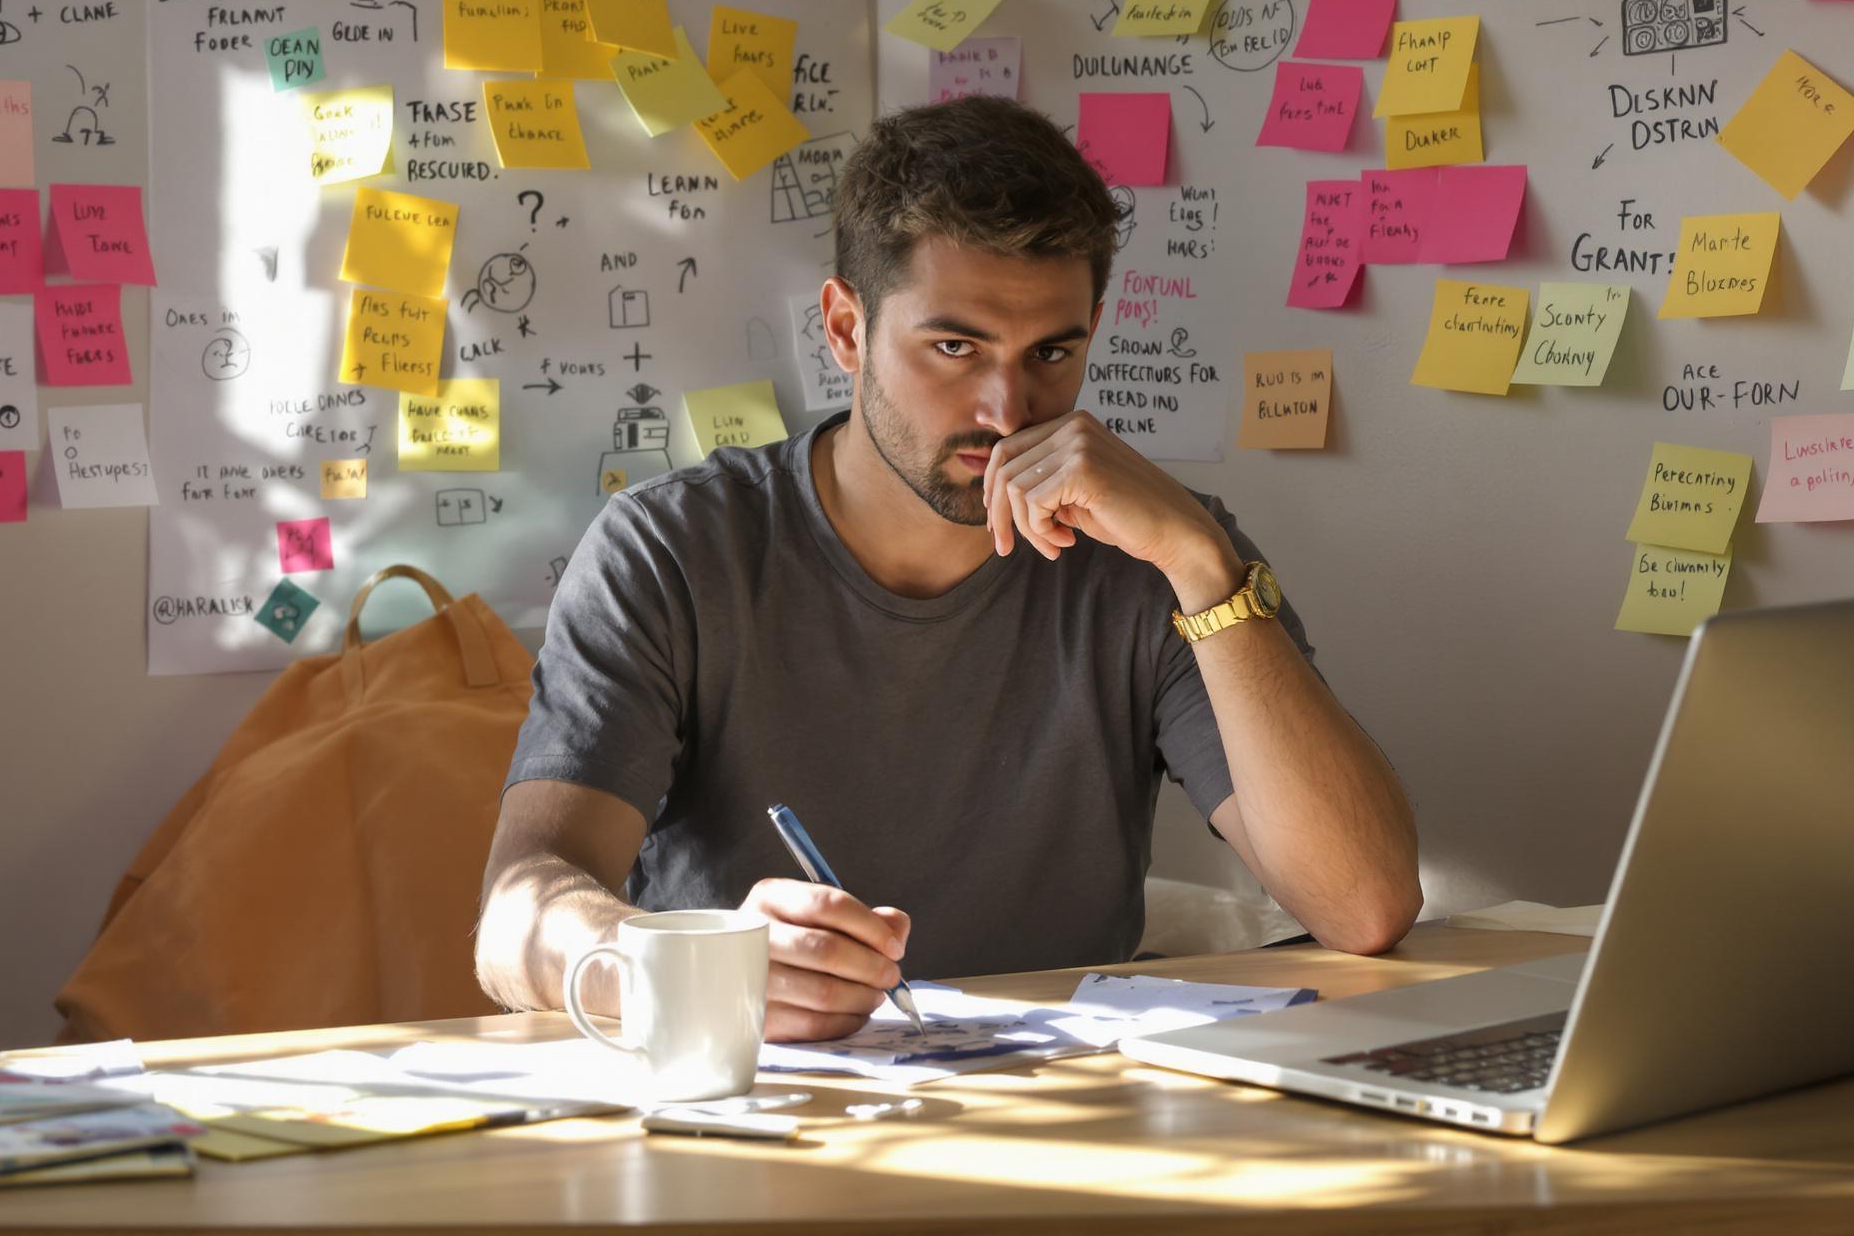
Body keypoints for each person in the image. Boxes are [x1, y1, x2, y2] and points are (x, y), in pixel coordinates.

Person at [475, 96, 1420, 1042]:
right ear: (847, 330)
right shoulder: (670, 551)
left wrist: (1202, 565)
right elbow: (517, 918)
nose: (1009, 409)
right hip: (764, 1110)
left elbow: (1364, 906)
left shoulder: (1158, 555)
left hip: (1069, 1116)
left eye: (1053, 351)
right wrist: (693, 968)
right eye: (955, 347)